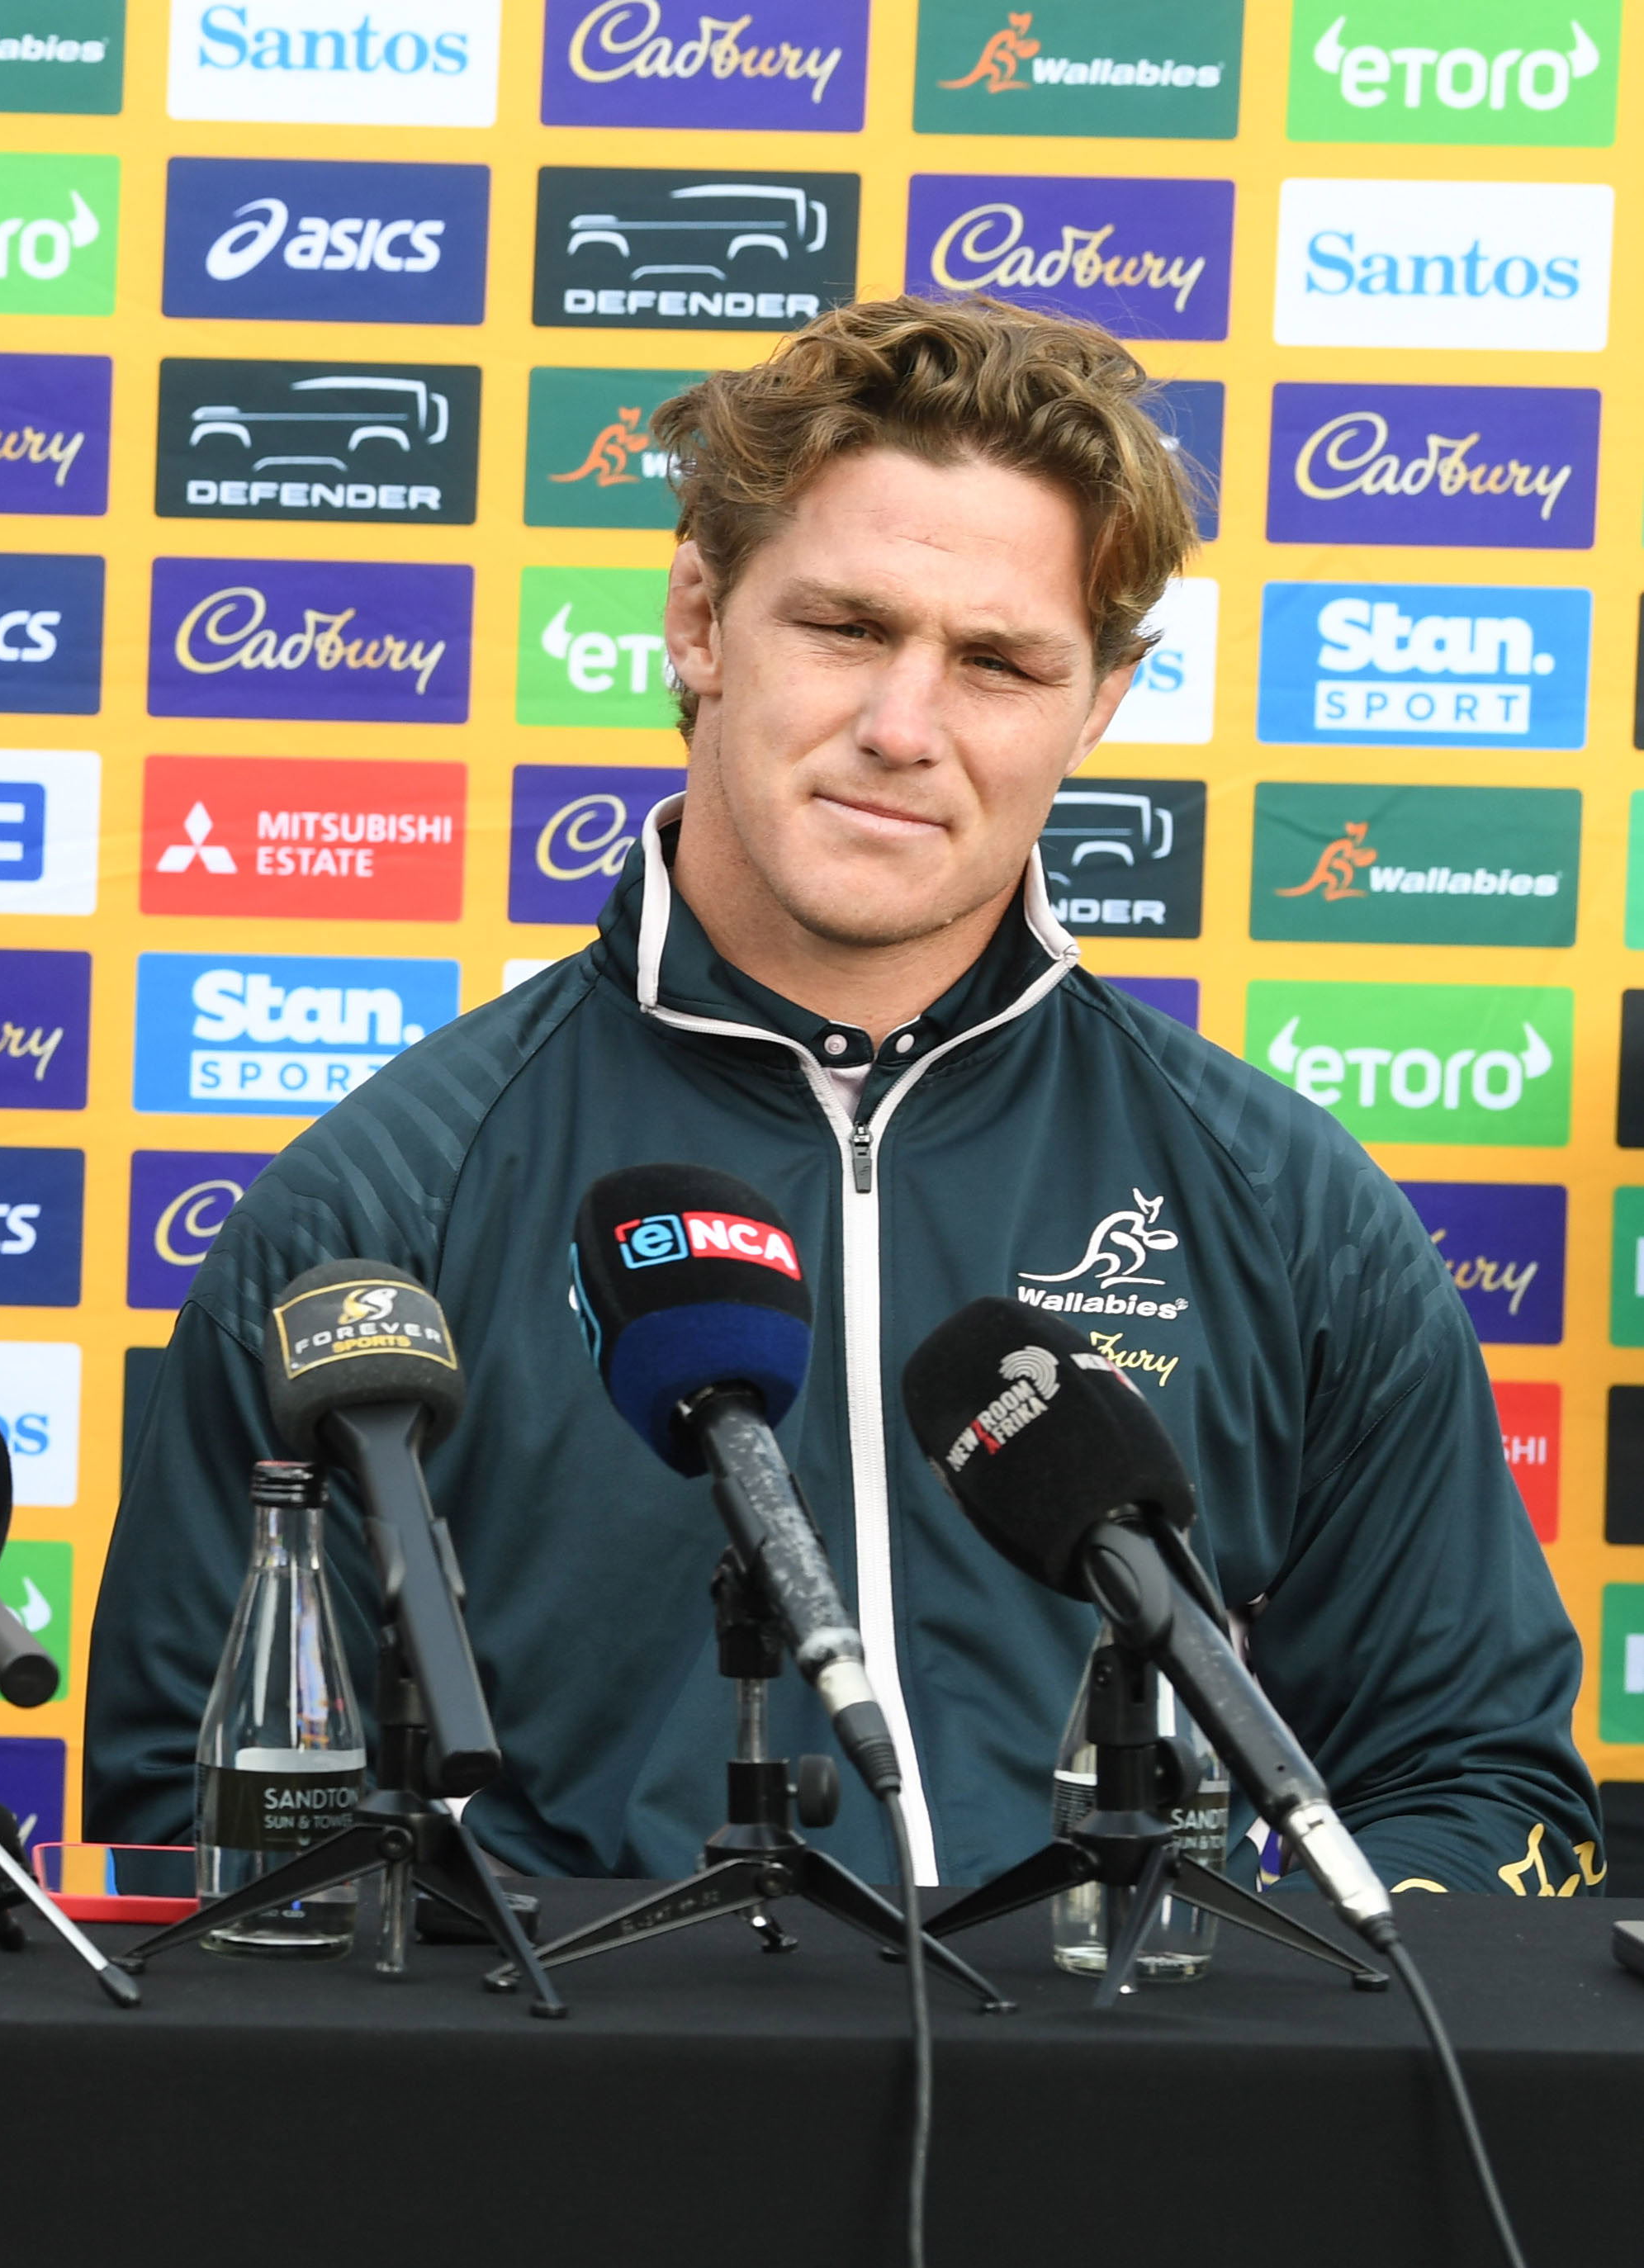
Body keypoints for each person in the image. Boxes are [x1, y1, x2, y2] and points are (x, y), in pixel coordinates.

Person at [87, 296, 1597, 1900]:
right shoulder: (385, 1199)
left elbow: (1471, 1771)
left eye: (999, 661)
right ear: (696, 618)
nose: (901, 726)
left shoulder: (1283, 1204)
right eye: (848, 627)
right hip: (566, 2128)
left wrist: (1198, 2029)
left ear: (1096, 704)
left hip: (1128, 2133)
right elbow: (197, 1795)